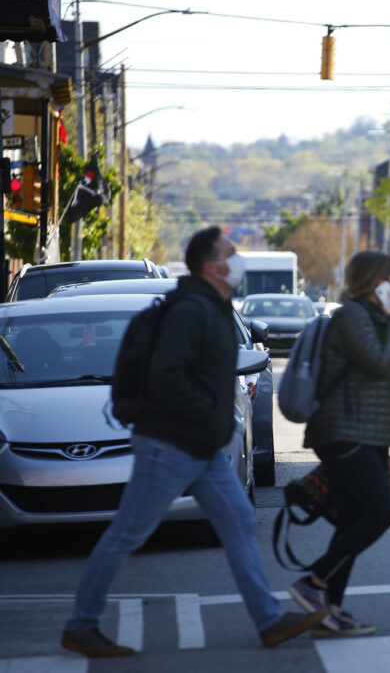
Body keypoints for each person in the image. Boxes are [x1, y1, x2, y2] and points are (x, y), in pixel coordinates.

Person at [61, 227, 327, 658]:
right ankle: (81, 625)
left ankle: (268, 620)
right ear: (211, 265)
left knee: (239, 521)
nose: (237, 259)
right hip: (171, 445)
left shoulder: (213, 307)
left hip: (201, 448)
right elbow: (168, 378)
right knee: (127, 533)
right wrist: (209, 417)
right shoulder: (191, 311)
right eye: (230, 253)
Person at [288, 251, 390, 637]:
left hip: (363, 432)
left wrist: (389, 320)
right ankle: (313, 582)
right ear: (375, 282)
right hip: (344, 431)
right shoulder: (352, 315)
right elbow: (379, 362)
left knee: (355, 520)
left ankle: (328, 611)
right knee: (379, 514)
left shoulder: (368, 317)